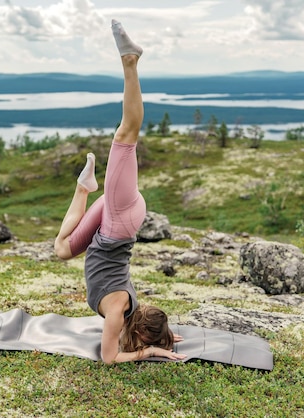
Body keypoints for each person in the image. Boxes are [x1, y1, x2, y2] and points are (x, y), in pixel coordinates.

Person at [54, 19, 186, 364]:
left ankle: (84, 188)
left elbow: (116, 348)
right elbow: (110, 359)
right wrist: (153, 350)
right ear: (141, 334)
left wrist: (165, 336)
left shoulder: (128, 312)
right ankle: (131, 62)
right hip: (118, 224)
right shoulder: (119, 312)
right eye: (145, 340)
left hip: (110, 227)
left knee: (63, 250)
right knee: (126, 134)